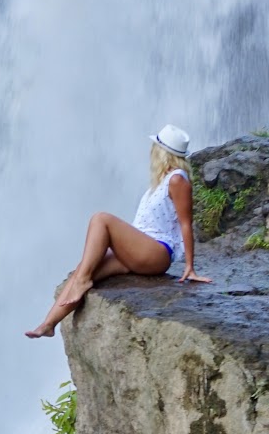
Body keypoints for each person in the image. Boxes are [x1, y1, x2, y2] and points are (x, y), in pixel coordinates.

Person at [26, 124, 212, 338]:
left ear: (161, 152)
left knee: (101, 219)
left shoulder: (177, 179)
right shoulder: (163, 180)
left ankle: (82, 282)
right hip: (141, 250)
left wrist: (190, 267)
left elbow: (186, 223)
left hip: (157, 252)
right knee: (87, 267)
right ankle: (48, 324)